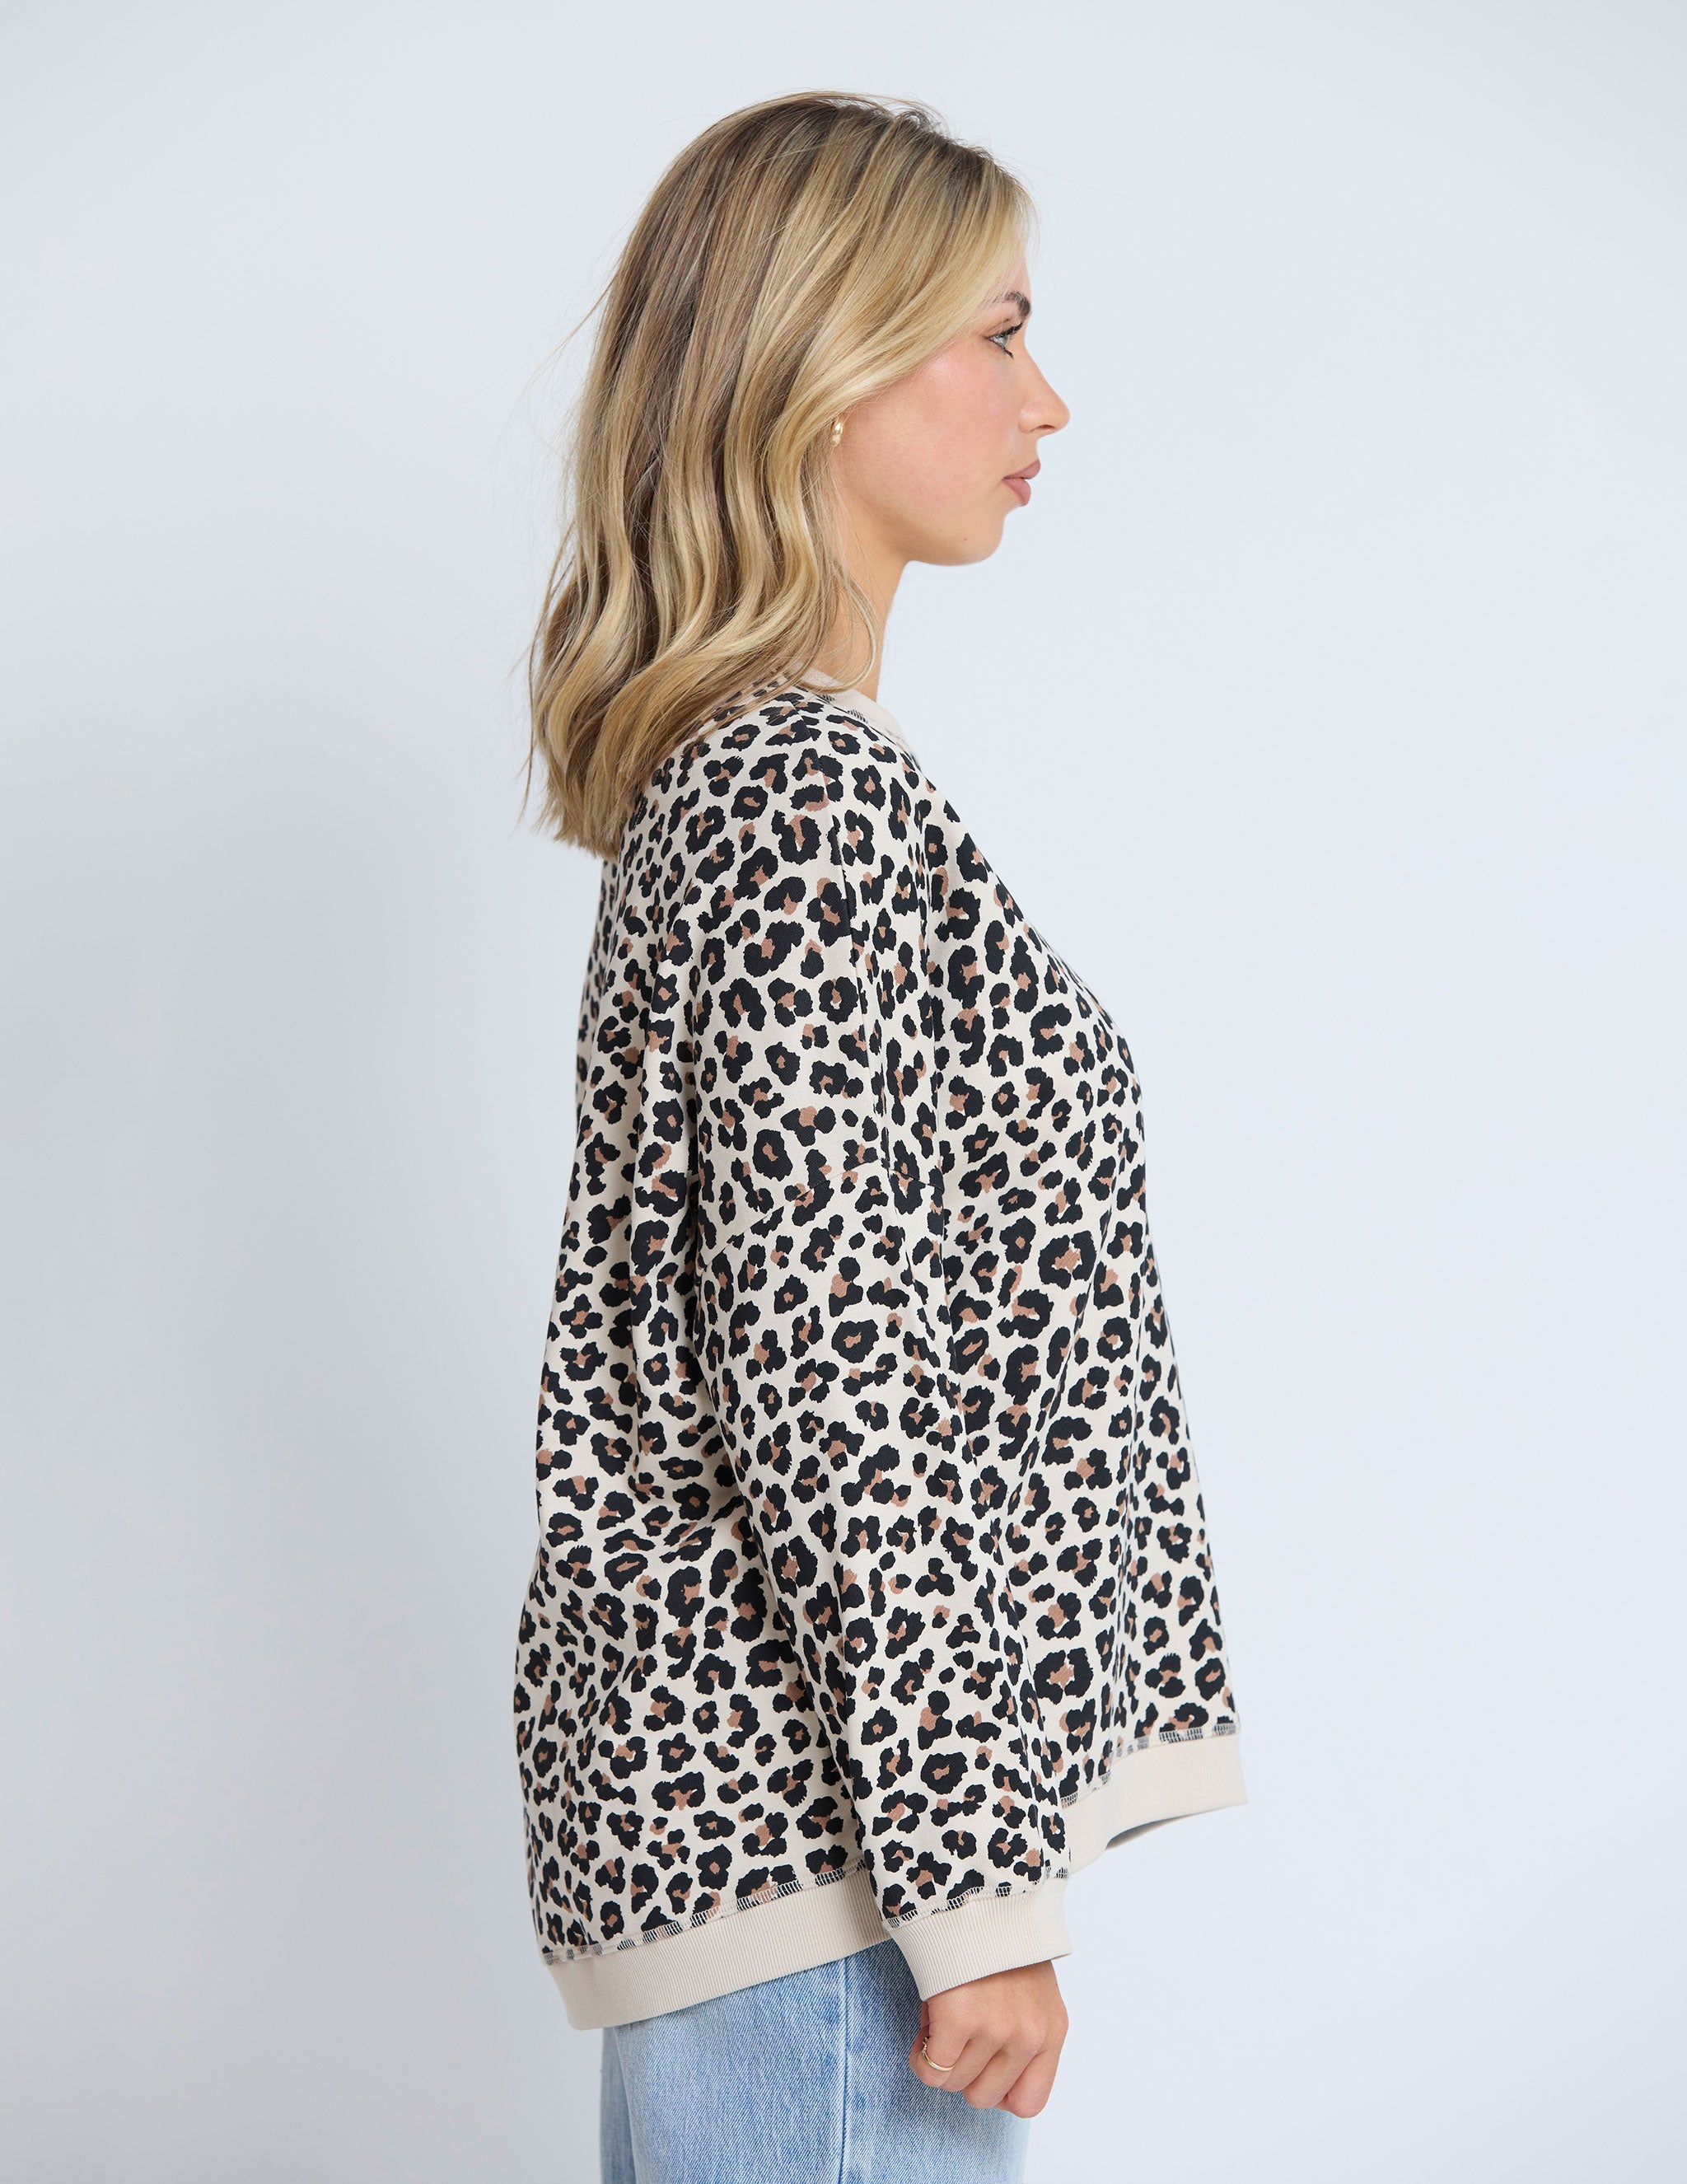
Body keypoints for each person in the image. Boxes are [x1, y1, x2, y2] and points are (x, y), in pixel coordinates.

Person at [512, 90, 1248, 2184]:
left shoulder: (747, 776)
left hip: (766, 1856)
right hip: (824, 1877)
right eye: (997, 335)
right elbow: (832, 1379)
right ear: (822, 368)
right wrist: (975, 1893)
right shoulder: (797, 794)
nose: (1047, 399)